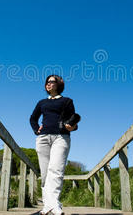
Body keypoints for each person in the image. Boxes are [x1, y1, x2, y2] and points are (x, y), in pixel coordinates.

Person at [30, 75, 79, 215]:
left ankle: (55, 205)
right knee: (45, 174)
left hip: (61, 137)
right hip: (43, 138)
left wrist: (72, 127)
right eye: (47, 82)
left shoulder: (67, 101)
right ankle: (47, 205)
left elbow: (73, 122)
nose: (48, 84)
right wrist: (36, 129)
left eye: (51, 81)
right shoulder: (41, 103)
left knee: (56, 170)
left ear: (59, 84)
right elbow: (33, 118)